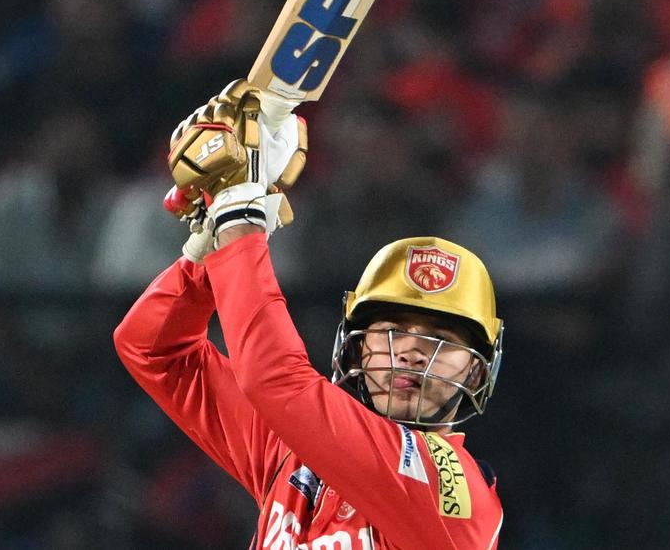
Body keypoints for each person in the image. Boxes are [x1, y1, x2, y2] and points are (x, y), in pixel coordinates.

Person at [114, 82, 506, 549]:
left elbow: (274, 380)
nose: (412, 352)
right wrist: (206, 246)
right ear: (355, 346)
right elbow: (152, 349)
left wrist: (239, 220)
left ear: (476, 372)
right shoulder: (296, 450)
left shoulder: (455, 492)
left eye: (443, 339)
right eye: (392, 330)